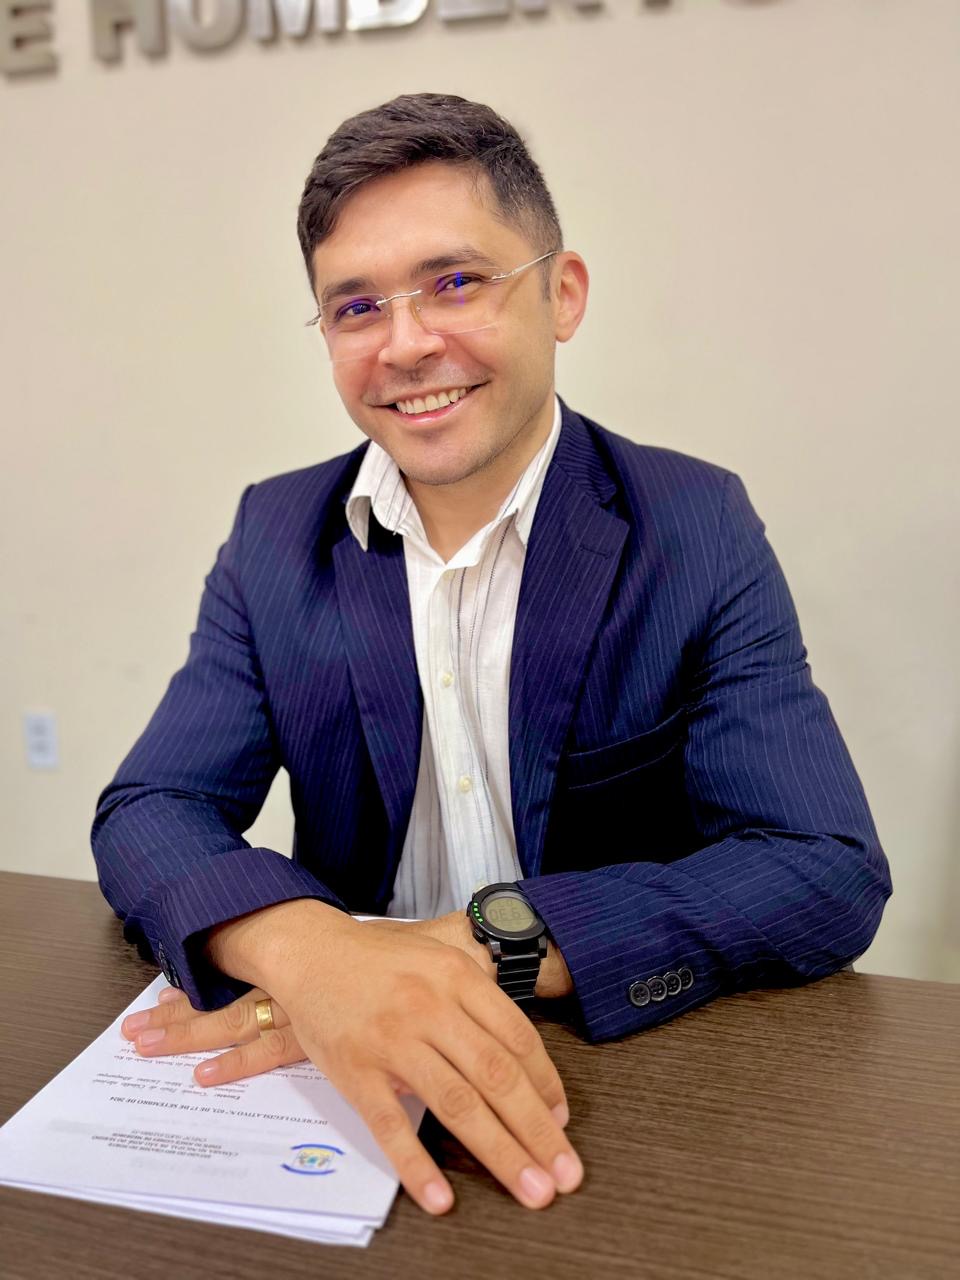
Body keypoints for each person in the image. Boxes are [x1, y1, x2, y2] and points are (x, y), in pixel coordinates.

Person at [92, 93, 891, 1217]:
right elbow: (151, 806)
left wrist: (469, 949)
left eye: (456, 282)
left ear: (561, 295)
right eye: (356, 306)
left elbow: (823, 865)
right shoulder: (275, 535)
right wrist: (317, 960)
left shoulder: (693, 524)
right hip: (338, 1075)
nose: (406, 342)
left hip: (610, 1072)